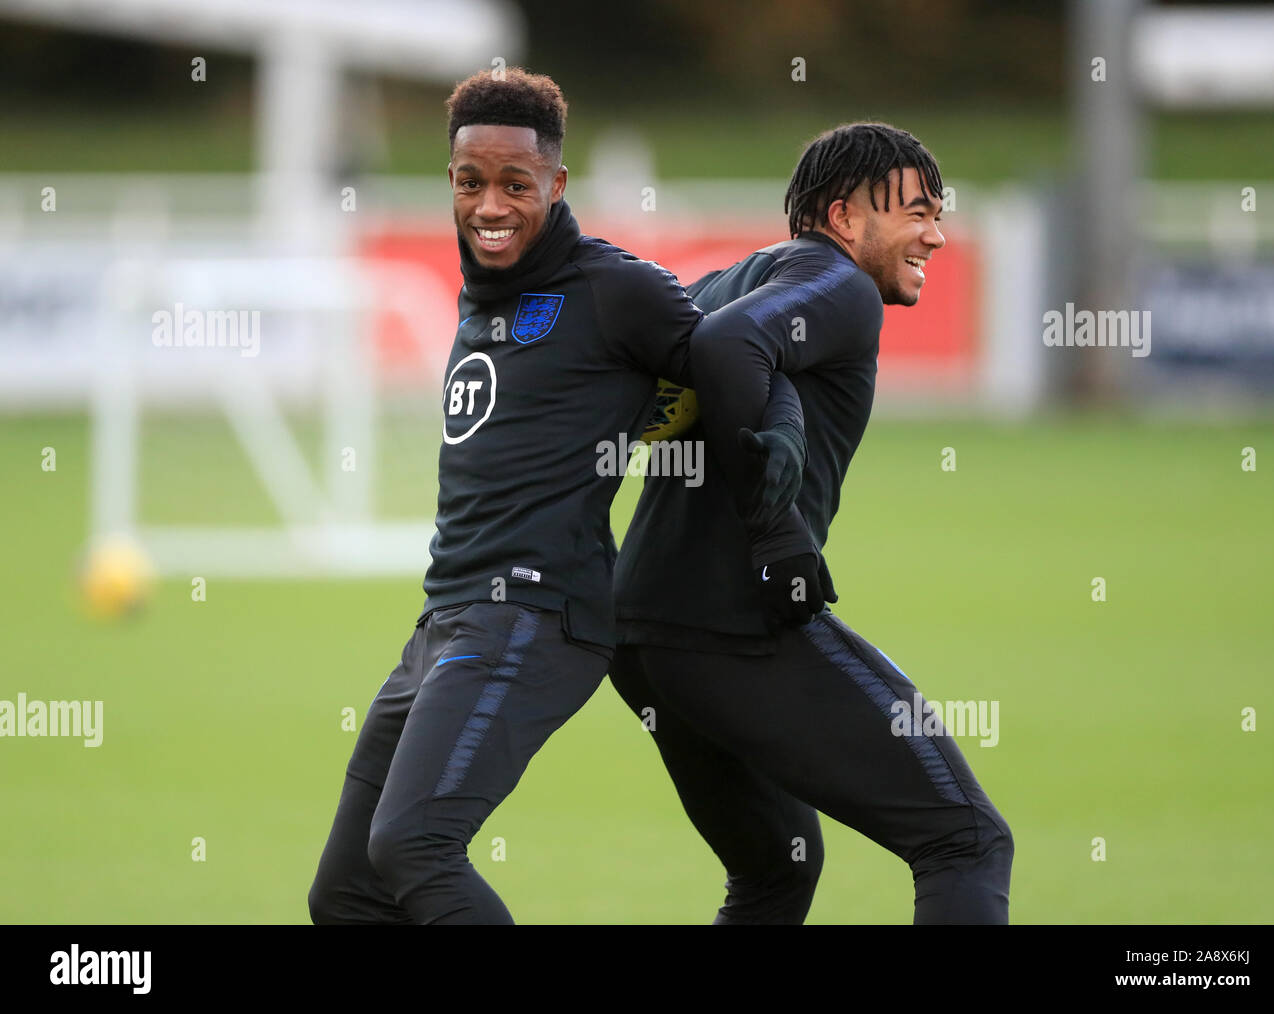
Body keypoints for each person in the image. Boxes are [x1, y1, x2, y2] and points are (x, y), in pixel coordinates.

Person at [306, 68, 804, 924]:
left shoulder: (615, 289)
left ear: (557, 184)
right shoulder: (483, 287)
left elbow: (740, 365)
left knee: (414, 845)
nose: (490, 207)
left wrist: (778, 497)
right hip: (445, 621)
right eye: (470, 184)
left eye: (515, 185)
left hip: (534, 617)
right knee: (347, 895)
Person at [611, 122, 1015, 924]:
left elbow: (653, 377)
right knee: (965, 840)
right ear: (844, 219)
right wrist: (773, 527)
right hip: (728, 626)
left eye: (941, 213)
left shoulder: (730, 279)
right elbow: (731, 348)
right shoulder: (841, 287)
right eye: (917, 213)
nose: (937, 234)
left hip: (640, 634)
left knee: (776, 870)